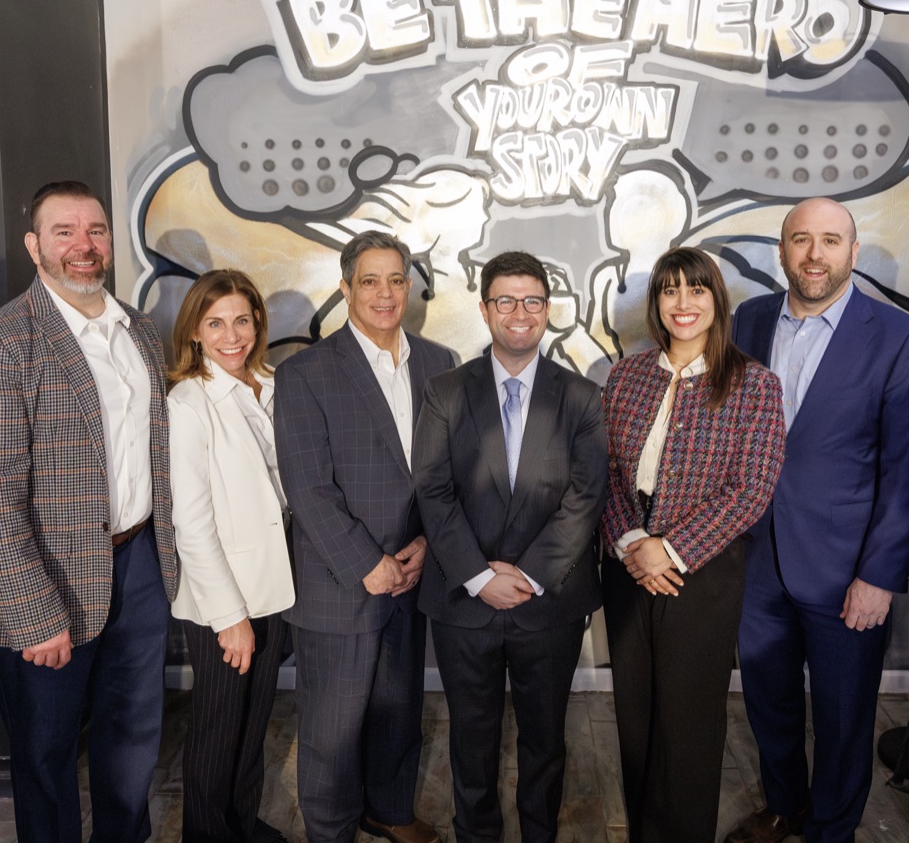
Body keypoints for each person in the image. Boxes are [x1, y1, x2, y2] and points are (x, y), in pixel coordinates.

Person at [0, 181, 179, 843]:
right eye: (65, 231)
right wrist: (32, 610)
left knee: (132, 737)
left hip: (139, 563)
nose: (84, 245)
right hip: (47, 579)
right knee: (46, 756)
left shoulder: (138, 330)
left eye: (96, 230)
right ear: (34, 245)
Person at [723, 197, 909, 843]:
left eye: (831, 241)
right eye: (801, 239)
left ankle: (832, 830)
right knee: (769, 701)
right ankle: (784, 805)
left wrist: (879, 576)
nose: (815, 255)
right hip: (756, 560)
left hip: (847, 571)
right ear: (782, 250)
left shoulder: (898, 337)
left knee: (843, 717)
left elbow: (906, 470)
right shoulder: (749, 320)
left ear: (853, 252)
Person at [413, 250, 608, 843]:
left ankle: (539, 833)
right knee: (471, 739)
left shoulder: (581, 396)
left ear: (547, 310)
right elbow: (433, 490)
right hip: (464, 601)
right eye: (506, 301)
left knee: (544, 739)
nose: (519, 313)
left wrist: (527, 576)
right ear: (484, 309)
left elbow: (586, 496)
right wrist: (479, 576)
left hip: (549, 601)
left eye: (531, 301)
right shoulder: (445, 391)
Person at [273, 230, 455, 843]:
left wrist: (427, 544)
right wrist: (366, 563)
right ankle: (331, 832)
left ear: (409, 287)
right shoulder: (305, 373)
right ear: (346, 288)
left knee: (399, 711)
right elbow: (307, 486)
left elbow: (444, 471)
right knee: (332, 731)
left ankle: (390, 811)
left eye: (396, 280)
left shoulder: (438, 363)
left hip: (412, 571)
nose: (384, 293)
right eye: (369, 281)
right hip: (340, 583)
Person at [599, 246, 786, 843]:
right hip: (627, 566)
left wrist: (671, 549)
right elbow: (604, 473)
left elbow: (752, 489)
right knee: (635, 718)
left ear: (716, 300)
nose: (683, 303)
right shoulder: (626, 376)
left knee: (688, 726)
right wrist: (633, 542)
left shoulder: (755, 385)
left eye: (696, 289)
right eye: (670, 290)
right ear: (656, 302)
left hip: (700, 575)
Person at [166, 270, 294, 843]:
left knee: (253, 721)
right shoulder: (188, 402)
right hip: (224, 597)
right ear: (195, 331)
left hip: (274, 582)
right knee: (218, 729)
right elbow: (190, 523)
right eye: (215, 323)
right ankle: (206, 833)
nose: (232, 335)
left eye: (242, 320)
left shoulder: (271, 384)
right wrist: (229, 617)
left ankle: (242, 824)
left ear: (258, 323)